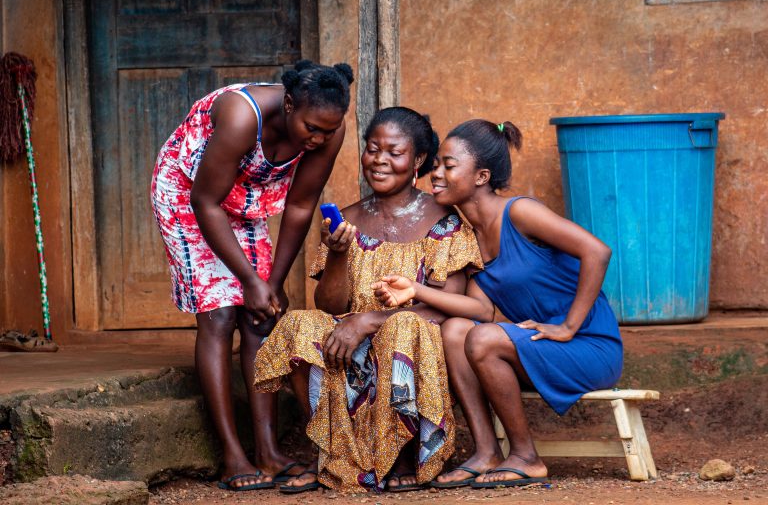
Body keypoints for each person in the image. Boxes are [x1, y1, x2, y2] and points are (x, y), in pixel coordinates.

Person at [372, 119, 623, 489]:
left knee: (484, 339)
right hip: (541, 346)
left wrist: (569, 326)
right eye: (437, 165)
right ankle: (486, 450)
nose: (435, 174)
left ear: (481, 176)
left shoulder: (519, 213)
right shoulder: (470, 238)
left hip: (588, 346)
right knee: (457, 330)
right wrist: (416, 290)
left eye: (448, 165)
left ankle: (526, 457)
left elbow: (597, 251)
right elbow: (479, 310)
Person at [251, 107, 483, 493]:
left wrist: (368, 321)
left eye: (394, 152)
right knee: (296, 325)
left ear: (418, 160)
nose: (380, 160)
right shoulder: (346, 219)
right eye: (373, 149)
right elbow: (328, 305)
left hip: (418, 345)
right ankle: (332, 454)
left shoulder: (444, 220)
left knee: (404, 324)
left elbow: (447, 304)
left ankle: (405, 454)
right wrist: (339, 254)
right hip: (353, 344)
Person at [150, 60, 354, 491]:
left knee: (261, 317)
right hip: (190, 193)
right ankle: (232, 456)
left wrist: (272, 283)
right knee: (220, 315)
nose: (318, 139)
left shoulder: (328, 131)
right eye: (311, 128)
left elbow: (299, 207)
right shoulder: (243, 116)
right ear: (289, 103)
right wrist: (249, 279)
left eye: (328, 131)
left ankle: (268, 452)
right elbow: (206, 201)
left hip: (246, 196)